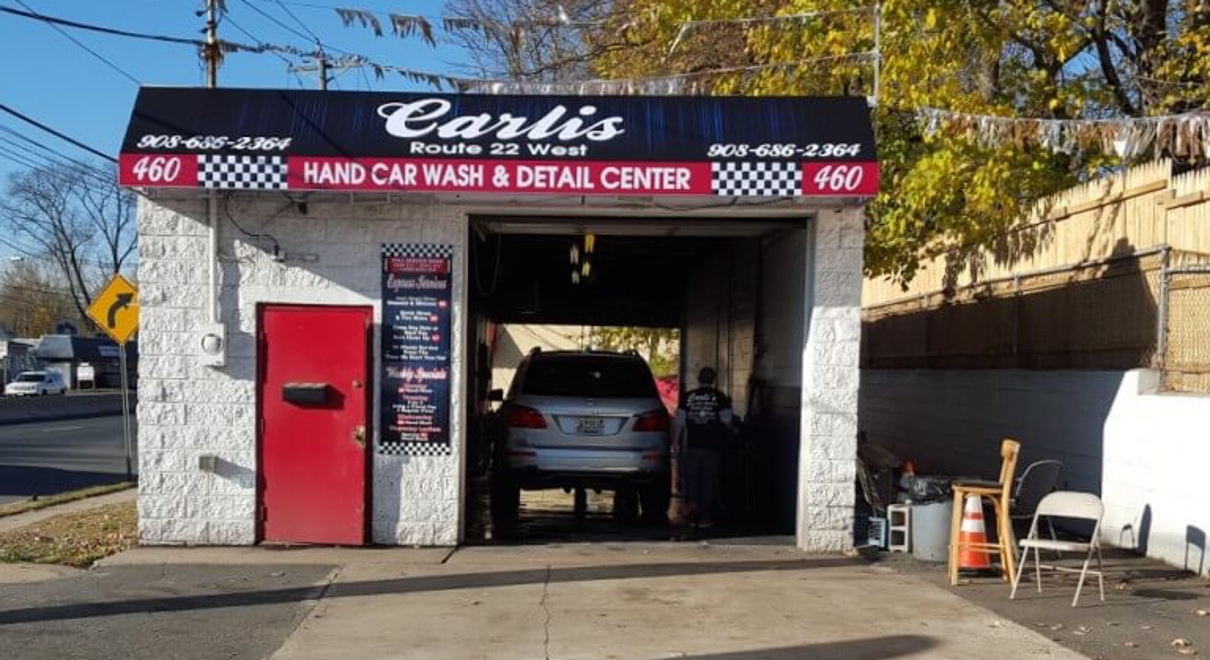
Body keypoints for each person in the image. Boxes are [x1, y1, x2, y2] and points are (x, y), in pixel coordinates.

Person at [675, 367, 735, 529]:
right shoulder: (720, 397)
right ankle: (705, 518)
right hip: (712, 447)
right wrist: (734, 431)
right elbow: (727, 421)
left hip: (693, 446)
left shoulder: (688, 397)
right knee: (708, 482)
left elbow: (679, 423)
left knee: (691, 480)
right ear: (714, 379)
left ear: (698, 378)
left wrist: (675, 442)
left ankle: (692, 511)